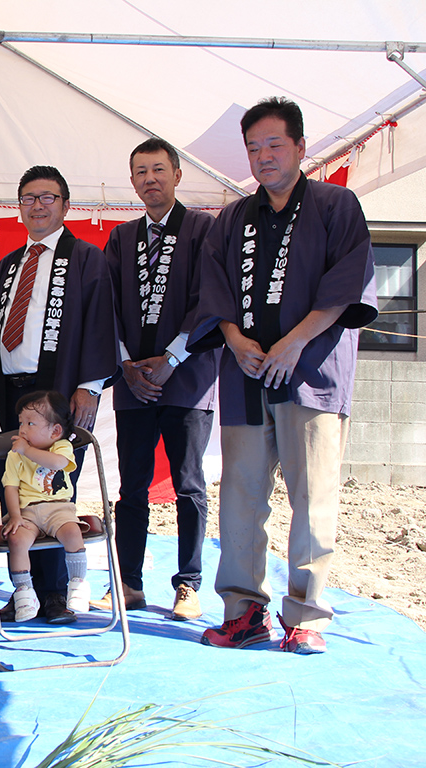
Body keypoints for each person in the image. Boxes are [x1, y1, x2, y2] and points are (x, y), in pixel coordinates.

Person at [188, 98, 377, 654]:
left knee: (312, 495)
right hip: (245, 376)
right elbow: (215, 289)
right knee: (241, 497)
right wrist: (235, 339)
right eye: (253, 148)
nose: (263, 156)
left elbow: (347, 285)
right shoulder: (233, 218)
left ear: (300, 147)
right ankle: (244, 611)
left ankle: (306, 614)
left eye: (274, 144)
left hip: (312, 374)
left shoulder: (335, 205)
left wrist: (295, 342)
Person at [0, 165, 120, 624]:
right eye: (29, 198)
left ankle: (56, 595)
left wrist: (88, 387)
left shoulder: (87, 258)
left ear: (65, 205)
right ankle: (24, 591)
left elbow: (103, 323)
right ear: (19, 206)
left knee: (50, 490)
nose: (38, 205)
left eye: (48, 197)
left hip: (59, 390)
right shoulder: (8, 266)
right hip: (11, 392)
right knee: (17, 492)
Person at [97, 138, 218, 621]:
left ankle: (188, 585)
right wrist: (126, 363)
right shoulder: (122, 238)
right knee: (132, 487)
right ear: (132, 181)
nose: (150, 179)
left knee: (189, 484)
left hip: (188, 378)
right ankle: (128, 583)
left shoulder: (204, 229)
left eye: (158, 169)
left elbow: (210, 298)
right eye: (141, 172)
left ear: (177, 174)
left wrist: (171, 358)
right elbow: (106, 304)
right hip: (132, 383)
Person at [1, 390, 89, 622]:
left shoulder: (60, 447)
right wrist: (15, 516)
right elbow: (10, 486)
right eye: (21, 422)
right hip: (27, 511)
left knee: (72, 532)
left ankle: (77, 584)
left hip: (58, 508)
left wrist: (27, 451)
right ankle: (24, 591)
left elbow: (58, 464)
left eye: (30, 423)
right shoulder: (15, 454)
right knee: (17, 539)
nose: (22, 429)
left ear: (55, 430)